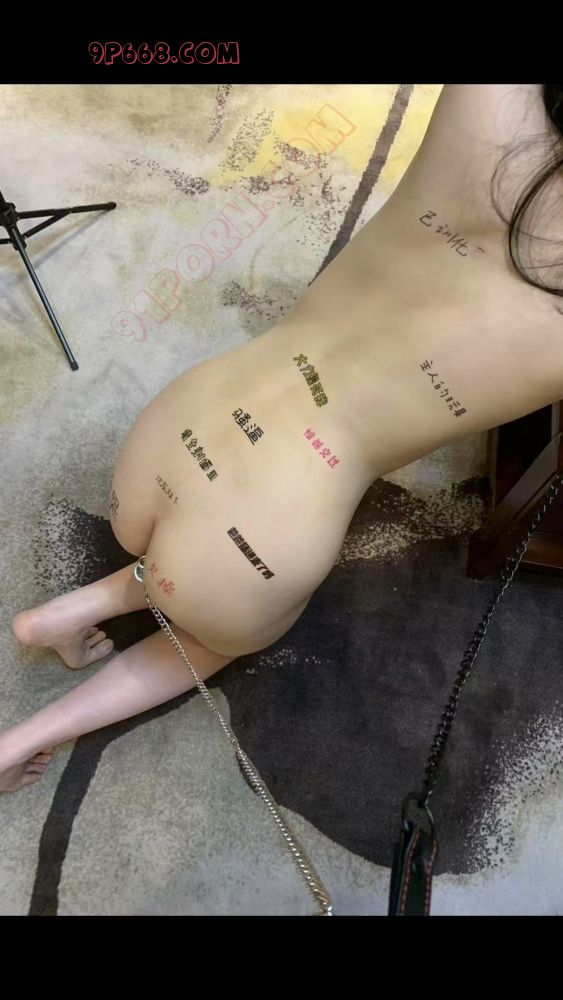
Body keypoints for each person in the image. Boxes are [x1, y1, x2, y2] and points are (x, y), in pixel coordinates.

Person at [2, 84, 563, 792]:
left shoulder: (489, 97)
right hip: (253, 550)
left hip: (173, 427)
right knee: (211, 635)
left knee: (188, 549)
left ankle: (77, 608)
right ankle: (20, 740)